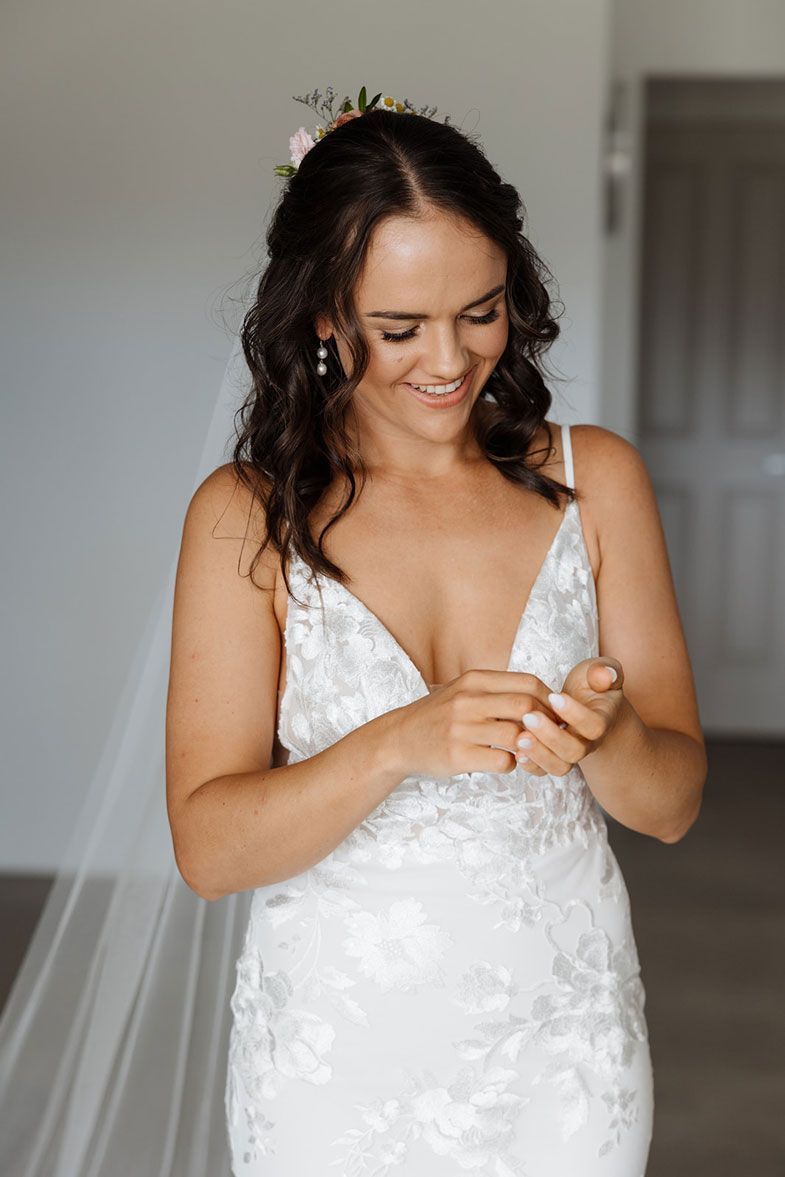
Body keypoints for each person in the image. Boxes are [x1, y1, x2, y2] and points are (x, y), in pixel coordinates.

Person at [166, 96, 706, 1176]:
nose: (450, 360)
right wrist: (399, 741)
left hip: (563, 1032)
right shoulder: (247, 513)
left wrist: (606, 740)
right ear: (322, 315)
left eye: (481, 311)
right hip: (339, 1045)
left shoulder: (592, 482)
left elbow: (673, 806)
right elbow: (209, 851)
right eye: (400, 327)